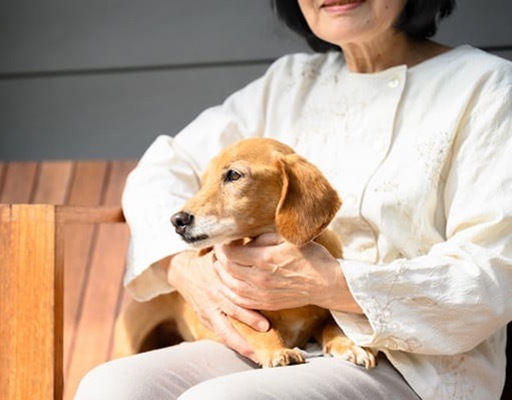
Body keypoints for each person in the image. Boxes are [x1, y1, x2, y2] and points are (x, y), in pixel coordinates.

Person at [75, 0, 512, 398]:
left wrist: (333, 285)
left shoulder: (487, 88)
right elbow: (161, 170)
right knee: (111, 385)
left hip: (417, 364)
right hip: (271, 338)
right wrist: (184, 267)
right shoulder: (288, 83)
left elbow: (494, 271)